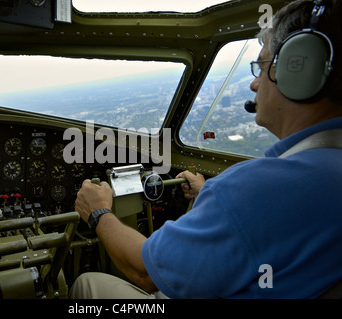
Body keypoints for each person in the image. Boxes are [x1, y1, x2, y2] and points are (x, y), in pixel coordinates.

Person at [70, 0, 342, 299]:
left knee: (88, 284)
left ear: (299, 68)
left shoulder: (256, 188)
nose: (253, 85)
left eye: (261, 66)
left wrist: (98, 212)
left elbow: (145, 272)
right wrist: (217, 202)